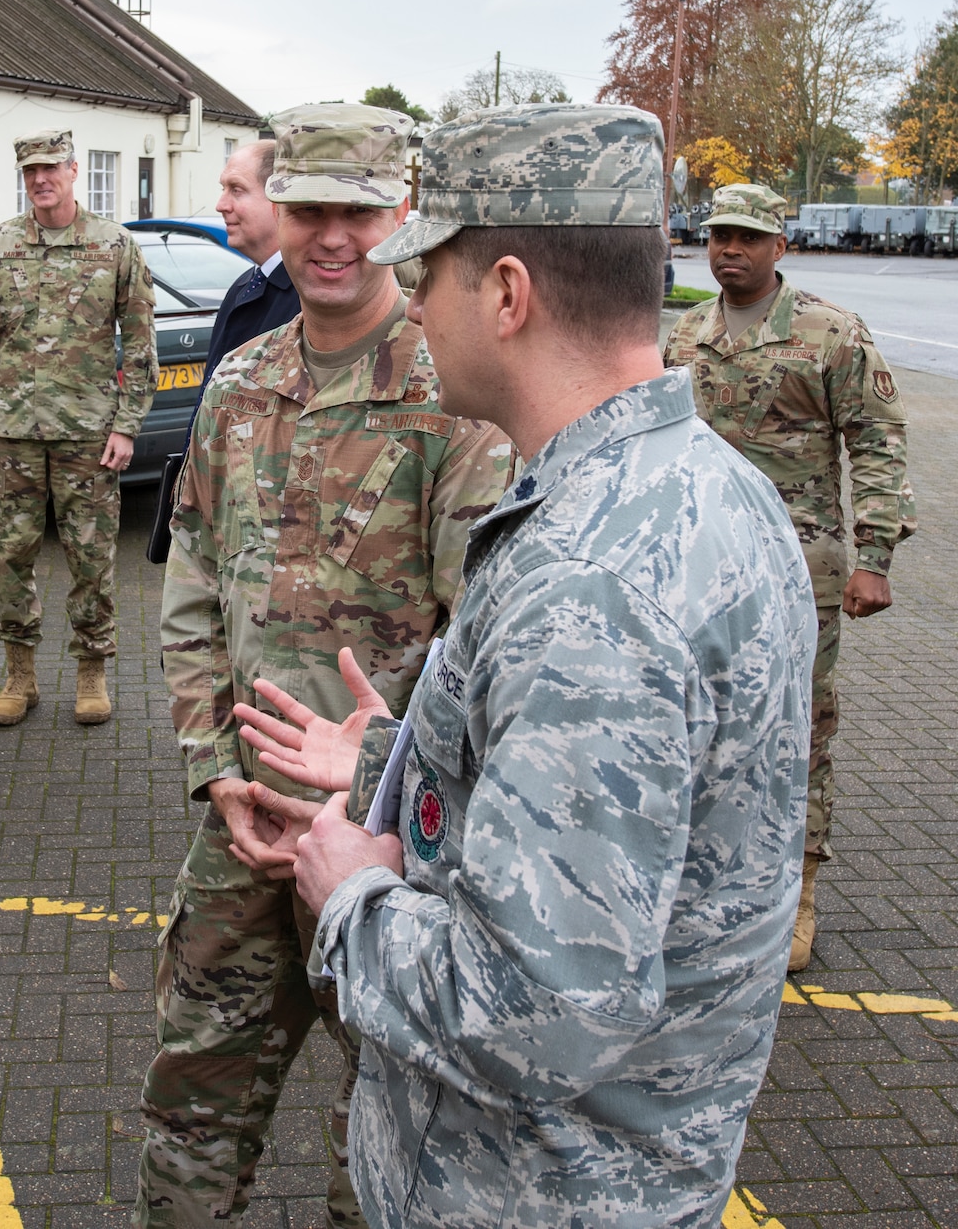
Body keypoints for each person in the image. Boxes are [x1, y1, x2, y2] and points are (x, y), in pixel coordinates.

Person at [239, 105, 815, 1227]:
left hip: (530, 1191)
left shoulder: (589, 579)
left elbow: (532, 1011)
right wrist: (394, 771)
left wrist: (345, 892)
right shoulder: (696, 484)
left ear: (505, 294)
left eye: (429, 275)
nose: (407, 302)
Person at [137, 104, 512, 1229]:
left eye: (357, 210)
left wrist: (381, 802)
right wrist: (214, 773)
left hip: (393, 846)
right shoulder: (243, 377)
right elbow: (191, 580)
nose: (330, 236)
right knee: (191, 1097)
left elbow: (480, 647)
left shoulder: (455, 396)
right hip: (243, 820)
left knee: (395, 1117)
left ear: (401, 216)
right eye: (308, 209)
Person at [665, 182, 914, 972]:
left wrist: (874, 556)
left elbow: (878, 440)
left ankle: (797, 889)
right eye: (718, 236)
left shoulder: (829, 334)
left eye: (747, 236)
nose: (729, 249)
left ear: (782, 246)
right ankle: (702, 880)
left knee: (801, 724)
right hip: (697, 562)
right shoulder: (685, 336)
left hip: (797, 571)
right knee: (694, 716)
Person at [0, 127, 157, 726]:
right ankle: (20, 676)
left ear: (74, 170)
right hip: (10, 431)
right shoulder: (0, 246)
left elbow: (140, 342)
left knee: (90, 557)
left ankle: (92, 673)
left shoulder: (114, 246)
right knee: (9, 555)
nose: (40, 180)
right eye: (30, 172)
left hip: (88, 434)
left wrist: (128, 426)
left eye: (51, 169)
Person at [200, 137, 301, 384]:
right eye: (223, 189)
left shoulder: (307, 296)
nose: (221, 205)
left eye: (237, 190)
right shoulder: (243, 286)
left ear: (279, 200)